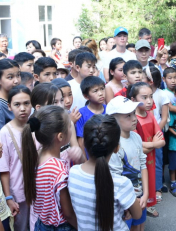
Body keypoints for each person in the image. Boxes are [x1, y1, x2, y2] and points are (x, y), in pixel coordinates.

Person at [69, 114, 142, 231]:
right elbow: (137, 214)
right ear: (116, 148)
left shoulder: (72, 174)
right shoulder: (121, 183)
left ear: (86, 145)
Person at [22, 106, 78, 230]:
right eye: (69, 126)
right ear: (60, 137)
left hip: (41, 224)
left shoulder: (36, 156)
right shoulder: (57, 169)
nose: (71, 128)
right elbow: (67, 213)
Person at [107, 96, 149, 231]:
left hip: (140, 194)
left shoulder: (136, 136)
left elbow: (143, 165)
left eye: (133, 113)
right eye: (128, 116)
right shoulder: (115, 146)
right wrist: (127, 205)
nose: (134, 118)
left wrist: (146, 193)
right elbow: (115, 178)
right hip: (125, 201)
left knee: (140, 225)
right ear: (114, 120)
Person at [128, 82, 165, 218]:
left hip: (150, 159)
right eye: (144, 97)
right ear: (133, 100)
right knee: (138, 186)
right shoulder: (132, 119)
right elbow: (136, 149)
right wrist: (153, 144)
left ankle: (146, 207)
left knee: (149, 181)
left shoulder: (150, 114)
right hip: (138, 162)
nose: (149, 101)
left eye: (151, 96)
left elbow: (162, 141)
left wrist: (149, 145)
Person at [0, 86, 31, 230]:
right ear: (9, 106)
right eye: (17, 104)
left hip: (36, 189)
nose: (22, 108)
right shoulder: (5, 132)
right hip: (18, 192)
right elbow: (3, 168)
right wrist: (8, 197)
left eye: (26, 103)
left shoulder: (35, 126)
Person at [146, 66, 169, 202]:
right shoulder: (140, 92)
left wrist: (156, 132)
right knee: (145, 162)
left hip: (158, 132)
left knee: (157, 161)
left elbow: (164, 117)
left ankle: (158, 188)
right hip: (143, 132)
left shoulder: (162, 94)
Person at [75, 76, 106, 157]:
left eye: (102, 89)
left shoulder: (109, 109)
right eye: (95, 91)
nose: (100, 93)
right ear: (86, 96)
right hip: (90, 156)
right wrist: (85, 160)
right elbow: (81, 140)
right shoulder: (81, 114)